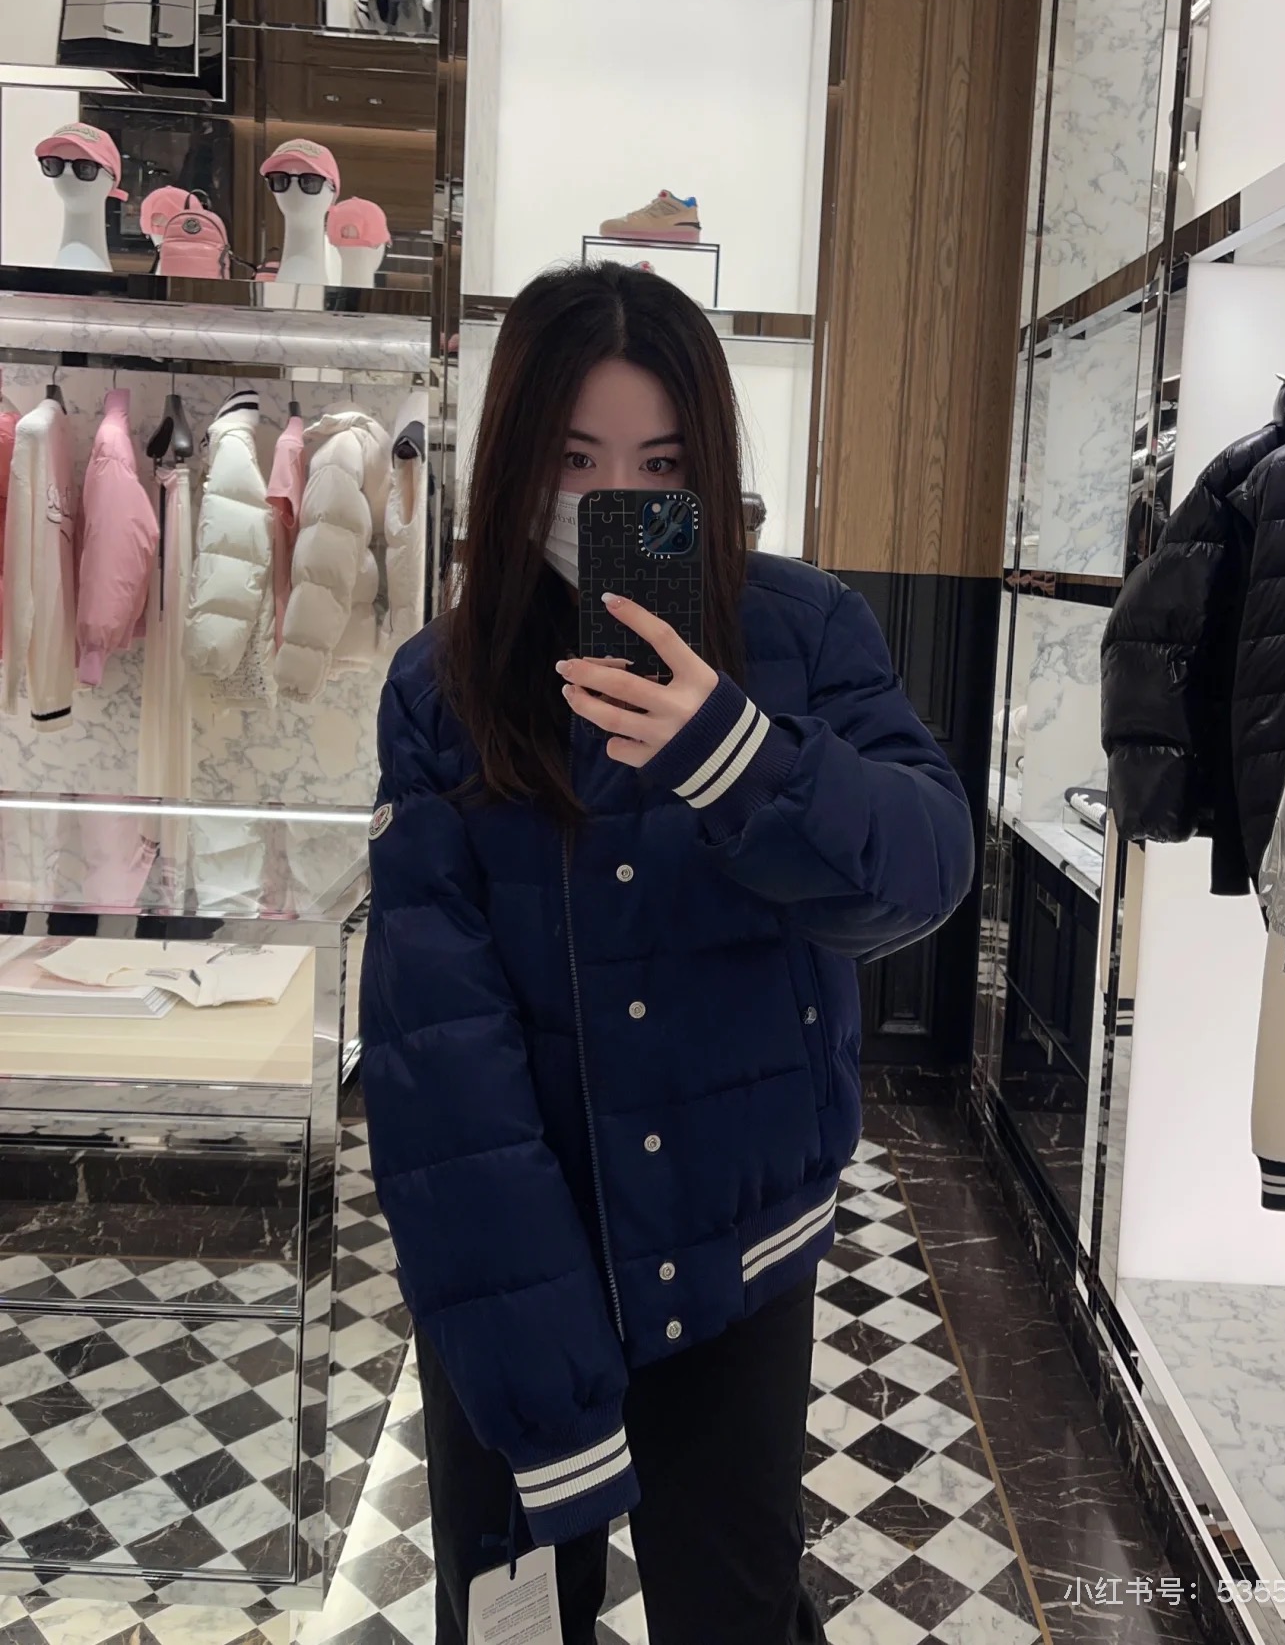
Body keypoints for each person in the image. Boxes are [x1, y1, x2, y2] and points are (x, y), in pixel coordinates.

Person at [361, 262, 974, 1645]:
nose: (614, 505)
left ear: (711, 472)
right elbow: (438, 1062)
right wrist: (536, 1372)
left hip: (733, 1249)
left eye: (661, 466)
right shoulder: (442, 691)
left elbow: (925, 872)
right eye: (575, 462)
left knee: (734, 1608)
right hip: (516, 1261)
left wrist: (741, 757)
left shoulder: (803, 633)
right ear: (515, 464)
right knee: (516, 1622)